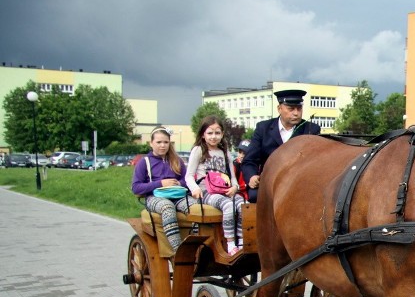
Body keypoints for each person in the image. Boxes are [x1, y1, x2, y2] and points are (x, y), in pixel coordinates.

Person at [241, 89, 321, 202]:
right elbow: (249, 161)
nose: (296, 113)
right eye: (291, 109)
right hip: (268, 183)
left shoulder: (311, 129)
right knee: (255, 196)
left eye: (299, 108)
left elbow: (316, 163)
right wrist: (252, 176)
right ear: (279, 109)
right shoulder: (263, 128)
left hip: (299, 184)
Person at [131, 126, 199, 254]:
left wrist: (179, 182)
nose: (162, 145)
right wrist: (160, 183)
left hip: (178, 195)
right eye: (159, 142)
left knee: (196, 208)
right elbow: (136, 187)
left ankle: (197, 245)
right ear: (151, 143)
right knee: (167, 208)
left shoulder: (176, 160)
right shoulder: (144, 162)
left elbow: (188, 180)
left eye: (166, 142)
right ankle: (178, 249)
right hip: (155, 197)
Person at [185, 116, 245, 255]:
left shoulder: (225, 152)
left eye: (217, 133)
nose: (213, 137)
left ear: (222, 134)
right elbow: (188, 175)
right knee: (228, 205)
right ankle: (230, 243)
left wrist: (234, 187)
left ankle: (242, 240)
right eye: (210, 133)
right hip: (206, 192)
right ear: (203, 134)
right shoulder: (199, 150)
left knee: (242, 204)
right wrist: (195, 188)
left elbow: (232, 177)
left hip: (224, 189)